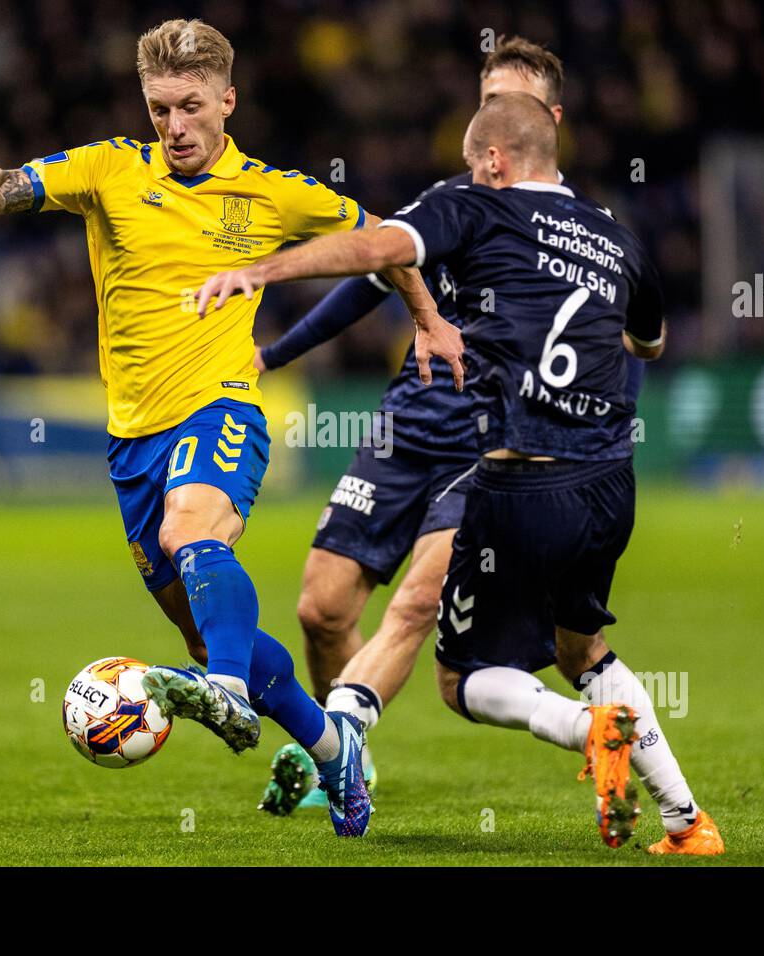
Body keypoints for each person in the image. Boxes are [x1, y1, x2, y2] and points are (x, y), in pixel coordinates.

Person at [0, 17, 464, 839]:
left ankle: (232, 699)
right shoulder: (107, 168)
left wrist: (426, 320)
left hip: (223, 403)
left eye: (190, 107)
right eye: (160, 107)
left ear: (227, 101)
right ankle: (332, 746)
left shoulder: (273, 192)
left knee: (192, 534)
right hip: (132, 439)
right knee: (211, 637)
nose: (174, 127)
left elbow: (385, 243)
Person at [196, 92, 724, 854]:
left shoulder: (476, 204)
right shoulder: (617, 236)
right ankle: (687, 822)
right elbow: (650, 343)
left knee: (457, 675)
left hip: (518, 480)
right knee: (584, 651)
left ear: (495, 161)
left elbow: (377, 250)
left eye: (479, 160)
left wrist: (267, 269)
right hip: (609, 482)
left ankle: (568, 729)